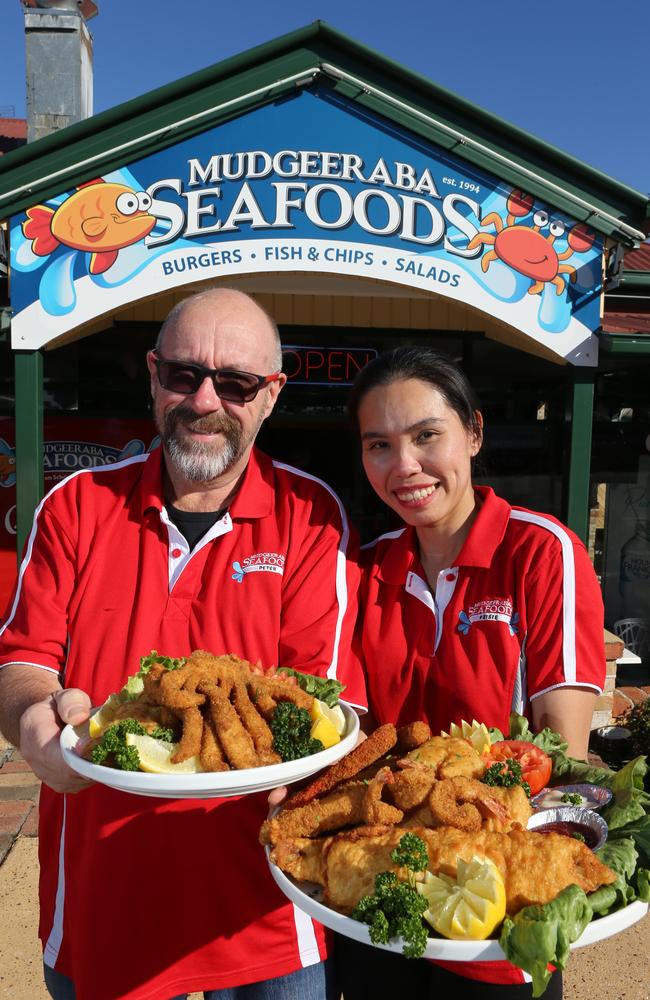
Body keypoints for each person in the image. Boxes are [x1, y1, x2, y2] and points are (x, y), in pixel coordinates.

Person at [0, 288, 366, 1000]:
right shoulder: (74, 506)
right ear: (151, 374)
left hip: (266, 911)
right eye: (183, 375)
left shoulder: (311, 515)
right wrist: (33, 722)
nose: (205, 400)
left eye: (236, 383)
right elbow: (22, 660)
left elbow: (321, 702)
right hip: (104, 904)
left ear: (270, 396)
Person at [336, 345, 606, 1000]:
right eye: (379, 445)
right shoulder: (365, 569)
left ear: (474, 433)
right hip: (381, 896)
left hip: (493, 909)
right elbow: (350, 745)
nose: (404, 467)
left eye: (427, 436)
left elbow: (561, 759)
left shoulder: (541, 551)